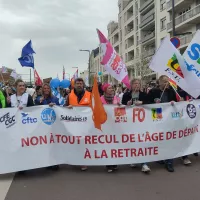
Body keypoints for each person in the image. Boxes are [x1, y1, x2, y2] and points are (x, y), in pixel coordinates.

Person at [147, 75, 177, 172]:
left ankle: (169, 162)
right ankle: (160, 157)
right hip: (157, 114)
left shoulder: (171, 91)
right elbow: (147, 103)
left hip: (168, 116)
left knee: (169, 138)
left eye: (167, 81)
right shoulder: (153, 91)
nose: (166, 83)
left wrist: (174, 102)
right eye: (164, 81)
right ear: (159, 82)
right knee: (159, 137)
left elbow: (176, 101)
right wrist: (154, 102)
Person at [122, 78, 150, 173]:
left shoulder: (144, 94)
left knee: (142, 141)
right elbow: (122, 106)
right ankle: (133, 159)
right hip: (130, 122)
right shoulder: (126, 95)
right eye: (135, 84)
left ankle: (144, 163)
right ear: (131, 85)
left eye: (138, 83)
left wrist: (142, 103)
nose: (137, 85)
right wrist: (127, 104)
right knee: (132, 140)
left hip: (142, 122)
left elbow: (150, 104)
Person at [65, 78, 91, 171]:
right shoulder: (69, 96)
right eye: (77, 83)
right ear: (74, 85)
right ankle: (75, 159)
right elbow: (64, 108)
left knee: (84, 143)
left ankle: (84, 162)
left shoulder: (89, 94)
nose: (79, 85)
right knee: (75, 142)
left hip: (86, 123)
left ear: (83, 85)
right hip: (74, 123)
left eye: (81, 83)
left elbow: (94, 106)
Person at [36, 83, 60, 170]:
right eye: (44, 88)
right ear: (42, 90)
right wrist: (40, 103)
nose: (46, 90)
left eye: (48, 88)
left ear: (50, 89)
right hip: (43, 125)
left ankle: (55, 162)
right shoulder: (38, 99)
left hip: (53, 124)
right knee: (45, 144)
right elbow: (35, 110)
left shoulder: (55, 98)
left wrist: (55, 106)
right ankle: (47, 162)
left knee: (53, 143)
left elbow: (60, 110)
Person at [101, 83, 120, 173]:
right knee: (107, 144)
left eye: (112, 88)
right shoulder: (101, 99)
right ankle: (108, 164)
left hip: (115, 124)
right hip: (105, 124)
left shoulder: (116, 98)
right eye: (109, 88)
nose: (111, 89)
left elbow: (120, 109)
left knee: (115, 144)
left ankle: (115, 162)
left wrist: (121, 105)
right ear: (105, 90)